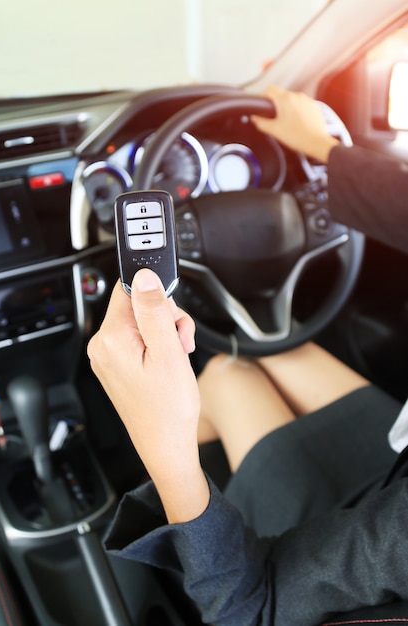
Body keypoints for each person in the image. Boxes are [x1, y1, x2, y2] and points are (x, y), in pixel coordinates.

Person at [87, 86, 408, 625]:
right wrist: (325, 150)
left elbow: (250, 607)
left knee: (230, 373)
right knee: (285, 351)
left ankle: (137, 458)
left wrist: (165, 451)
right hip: (392, 468)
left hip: (358, 556)